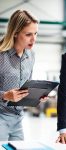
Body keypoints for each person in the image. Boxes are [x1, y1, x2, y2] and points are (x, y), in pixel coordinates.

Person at [0, 9, 40, 141]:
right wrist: (5, 95)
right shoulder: (1, 56)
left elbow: (26, 87)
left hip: (18, 118)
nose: (34, 39)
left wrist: (37, 95)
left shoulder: (31, 56)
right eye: (28, 34)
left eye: (35, 33)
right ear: (15, 33)